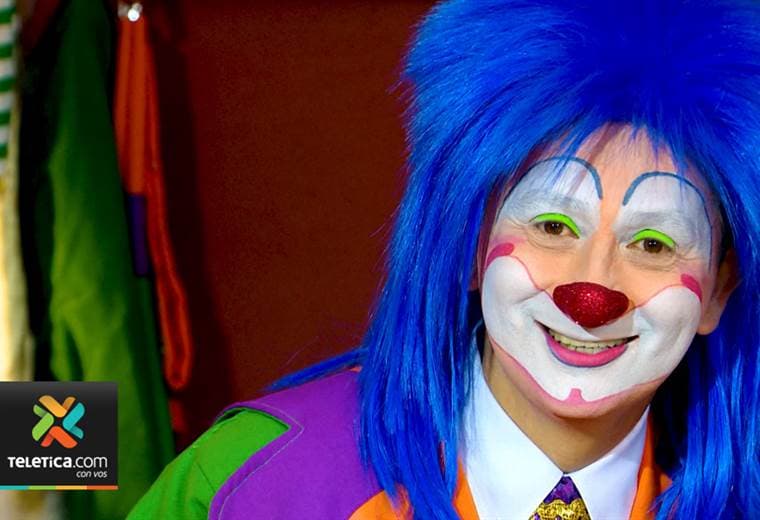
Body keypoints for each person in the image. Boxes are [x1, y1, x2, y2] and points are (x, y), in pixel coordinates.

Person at [128, 0, 760, 518]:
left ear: (718, 289)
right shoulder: (262, 481)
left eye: (652, 244)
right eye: (552, 226)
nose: (592, 291)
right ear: (471, 245)